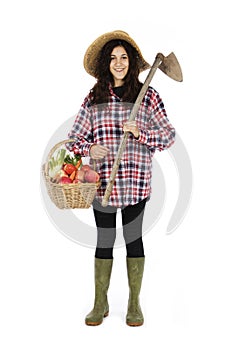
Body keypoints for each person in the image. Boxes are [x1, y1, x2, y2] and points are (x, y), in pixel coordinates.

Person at [67, 30, 176, 326]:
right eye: (113, 58)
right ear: (106, 63)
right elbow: (73, 139)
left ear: (131, 62)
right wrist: (90, 147)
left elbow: (168, 136)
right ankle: (99, 302)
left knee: (133, 240)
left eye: (124, 57)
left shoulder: (147, 97)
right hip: (102, 185)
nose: (118, 63)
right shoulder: (95, 97)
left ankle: (133, 303)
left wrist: (142, 133)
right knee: (104, 241)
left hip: (136, 184)